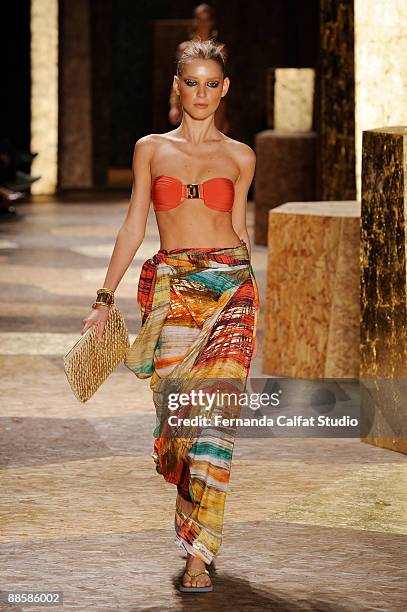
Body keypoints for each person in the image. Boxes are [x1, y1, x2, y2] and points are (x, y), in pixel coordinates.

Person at [81, 39, 259, 593]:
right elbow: (135, 223)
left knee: (216, 426)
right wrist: (104, 298)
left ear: (224, 89)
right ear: (176, 88)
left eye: (213, 83)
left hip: (232, 291)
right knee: (180, 425)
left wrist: (255, 300)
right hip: (175, 290)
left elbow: (242, 231)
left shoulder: (241, 157)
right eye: (192, 83)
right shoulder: (151, 149)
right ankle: (190, 525)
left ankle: (199, 554)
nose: (202, 93)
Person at [169, 3, 229, 134]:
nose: (203, 23)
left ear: (212, 22)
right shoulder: (184, 48)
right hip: (189, 99)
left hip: (215, 104)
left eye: (206, 19)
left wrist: (225, 117)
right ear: (194, 22)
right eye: (200, 19)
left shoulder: (220, 50)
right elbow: (178, 77)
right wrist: (173, 106)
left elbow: (220, 80)